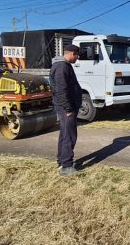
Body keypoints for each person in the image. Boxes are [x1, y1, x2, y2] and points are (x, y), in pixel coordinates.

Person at [50, 44, 83, 176]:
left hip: (66, 106)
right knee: (69, 136)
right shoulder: (62, 67)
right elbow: (61, 90)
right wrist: (68, 108)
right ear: (72, 53)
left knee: (65, 134)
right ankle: (66, 166)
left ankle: (62, 161)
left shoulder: (64, 66)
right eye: (77, 55)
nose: (77, 58)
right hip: (66, 108)